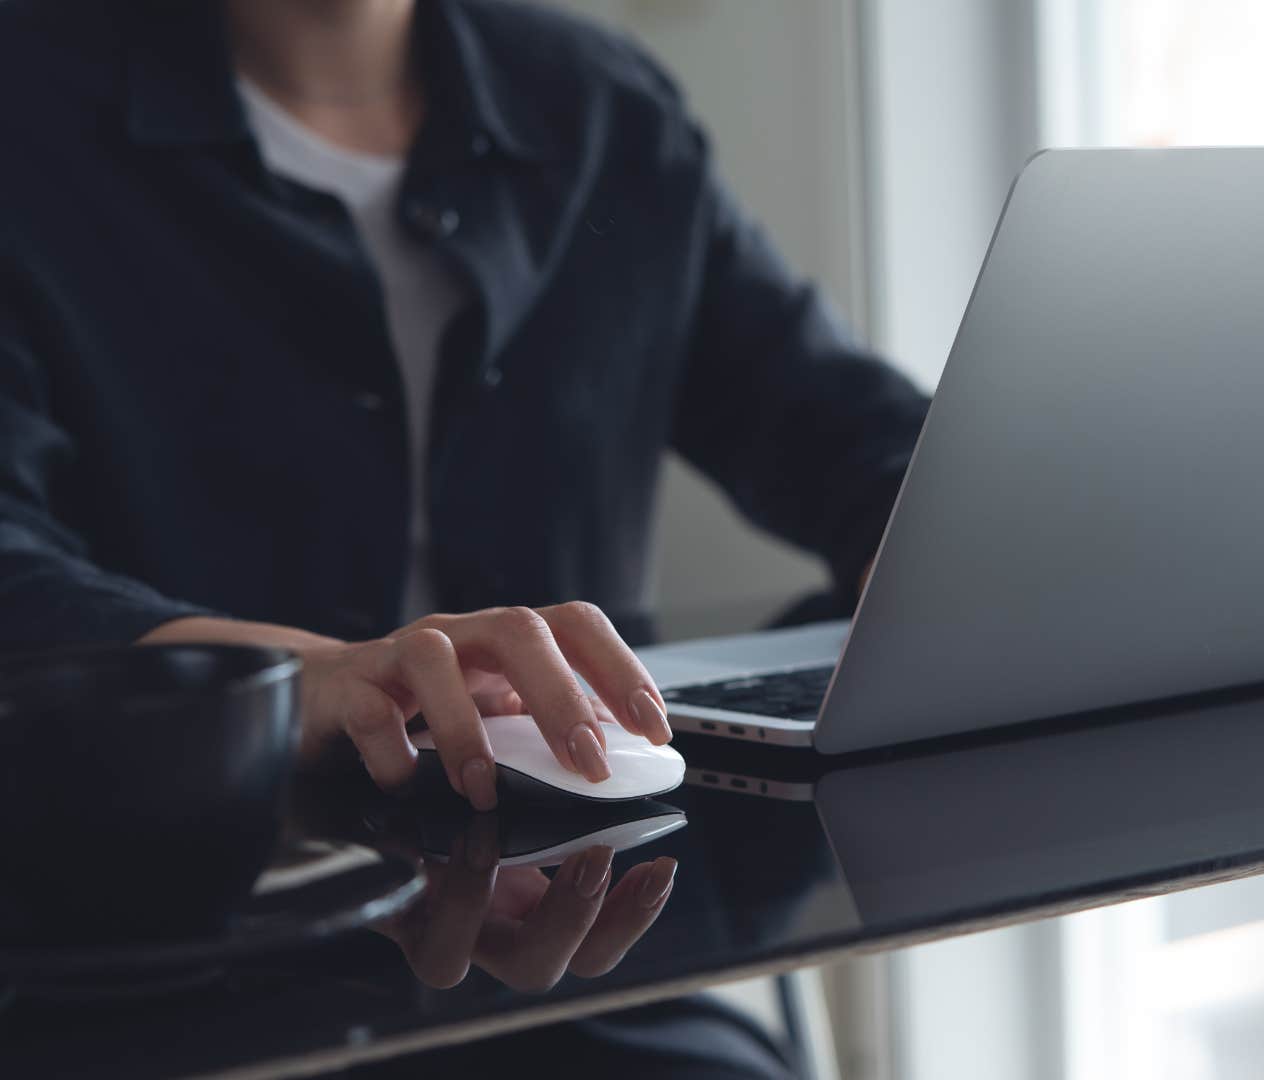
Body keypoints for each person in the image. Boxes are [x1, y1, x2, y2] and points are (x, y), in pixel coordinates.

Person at [0, 0, 929, 811]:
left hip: (585, 865)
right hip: (181, 868)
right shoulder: (31, 109)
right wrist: (295, 677)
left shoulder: (604, 105)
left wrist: (948, 560)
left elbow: (846, 433)